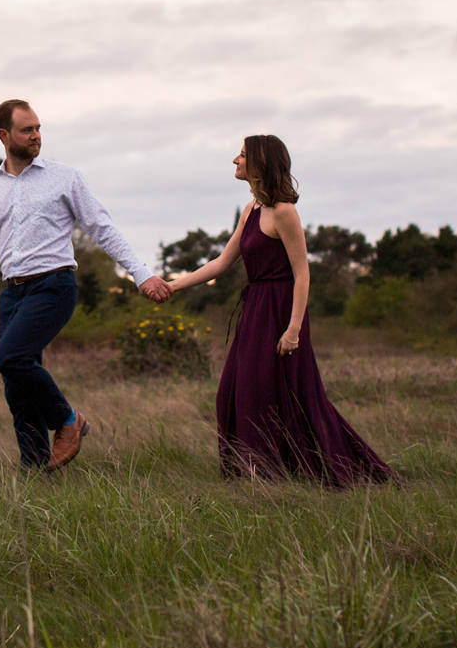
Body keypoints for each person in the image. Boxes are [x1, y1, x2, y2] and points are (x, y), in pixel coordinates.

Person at [168, 134, 394, 486]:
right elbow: (223, 262)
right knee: (234, 390)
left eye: (242, 155)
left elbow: (302, 273)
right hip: (255, 308)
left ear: (259, 163)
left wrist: (293, 329)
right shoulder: (251, 210)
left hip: (280, 311)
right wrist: (173, 285)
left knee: (286, 394)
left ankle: (290, 473)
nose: (234, 161)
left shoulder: (285, 212)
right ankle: (254, 472)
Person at [0, 99, 171, 472]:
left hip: (54, 285)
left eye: (38, 128)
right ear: (3, 135)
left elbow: (101, 228)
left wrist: (142, 274)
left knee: (9, 357)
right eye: (27, 130)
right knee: (16, 385)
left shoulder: (64, 177)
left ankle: (68, 420)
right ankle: (35, 472)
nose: (36, 136)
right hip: (12, 292)